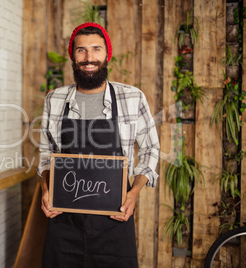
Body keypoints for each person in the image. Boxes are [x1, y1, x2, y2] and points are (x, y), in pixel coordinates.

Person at [37, 22, 160, 267]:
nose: (89, 57)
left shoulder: (131, 97)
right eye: (81, 50)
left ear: (107, 55)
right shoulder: (55, 99)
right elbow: (46, 154)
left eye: (96, 49)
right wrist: (45, 189)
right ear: (73, 56)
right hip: (64, 222)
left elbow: (150, 150)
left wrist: (134, 193)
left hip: (114, 222)